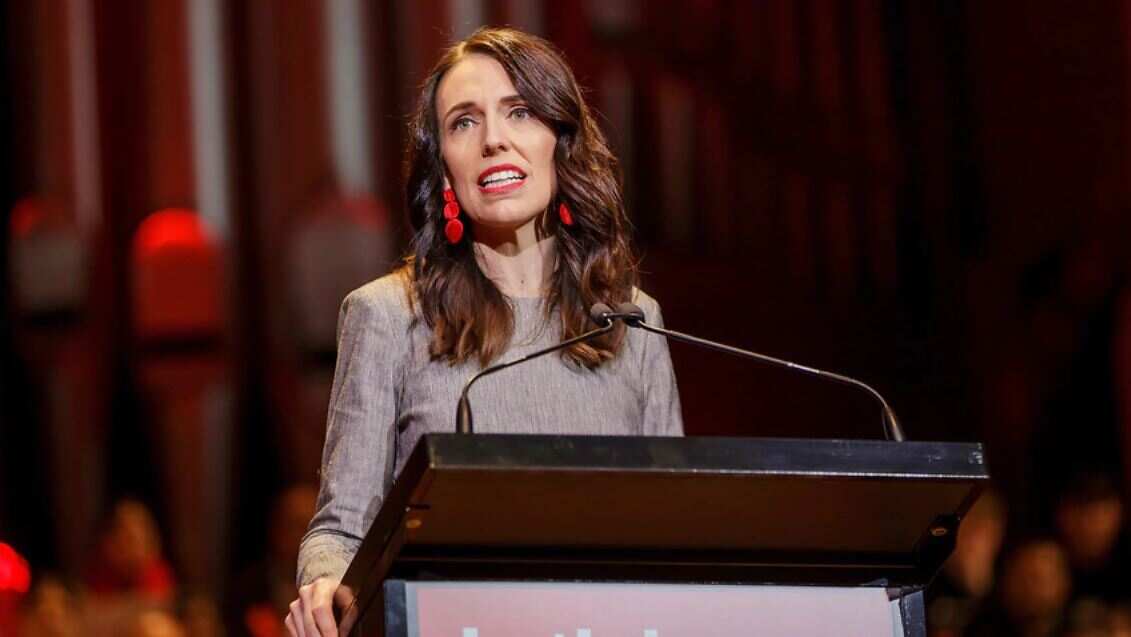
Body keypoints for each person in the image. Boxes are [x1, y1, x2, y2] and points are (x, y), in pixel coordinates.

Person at [285, 27, 683, 637]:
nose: (493, 139)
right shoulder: (389, 315)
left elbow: (676, 532)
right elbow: (341, 531)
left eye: (519, 112)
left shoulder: (633, 322)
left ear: (562, 144)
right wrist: (324, 583)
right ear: (445, 170)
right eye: (463, 123)